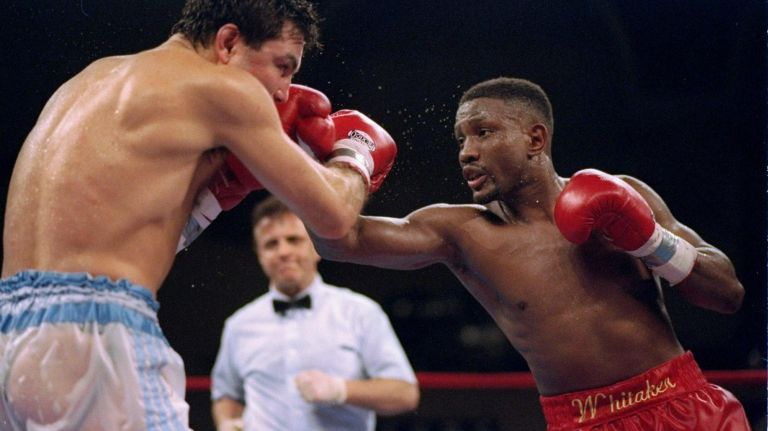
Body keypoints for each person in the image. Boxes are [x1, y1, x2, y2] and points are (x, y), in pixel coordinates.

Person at [0, 1, 397, 429]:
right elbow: (335, 216)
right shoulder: (225, 90)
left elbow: (111, 233)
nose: (284, 91)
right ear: (228, 42)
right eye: (282, 67)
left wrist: (212, 198)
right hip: (99, 335)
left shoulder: (87, 82)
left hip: (10, 337)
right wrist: (354, 153)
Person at [309, 77, 752, 430]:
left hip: (685, 404)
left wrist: (650, 240)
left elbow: (727, 294)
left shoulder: (625, 193)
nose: (467, 152)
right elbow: (339, 240)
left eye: (483, 133)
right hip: (582, 420)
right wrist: (349, 160)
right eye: (460, 140)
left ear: (535, 139)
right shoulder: (461, 232)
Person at [210, 196, 419, 431]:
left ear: (317, 248)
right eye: (271, 244)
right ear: (260, 255)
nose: (283, 251)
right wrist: (227, 422)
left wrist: (341, 390)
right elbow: (226, 395)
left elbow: (405, 393)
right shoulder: (239, 325)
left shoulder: (360, 312)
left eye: (293, 239)